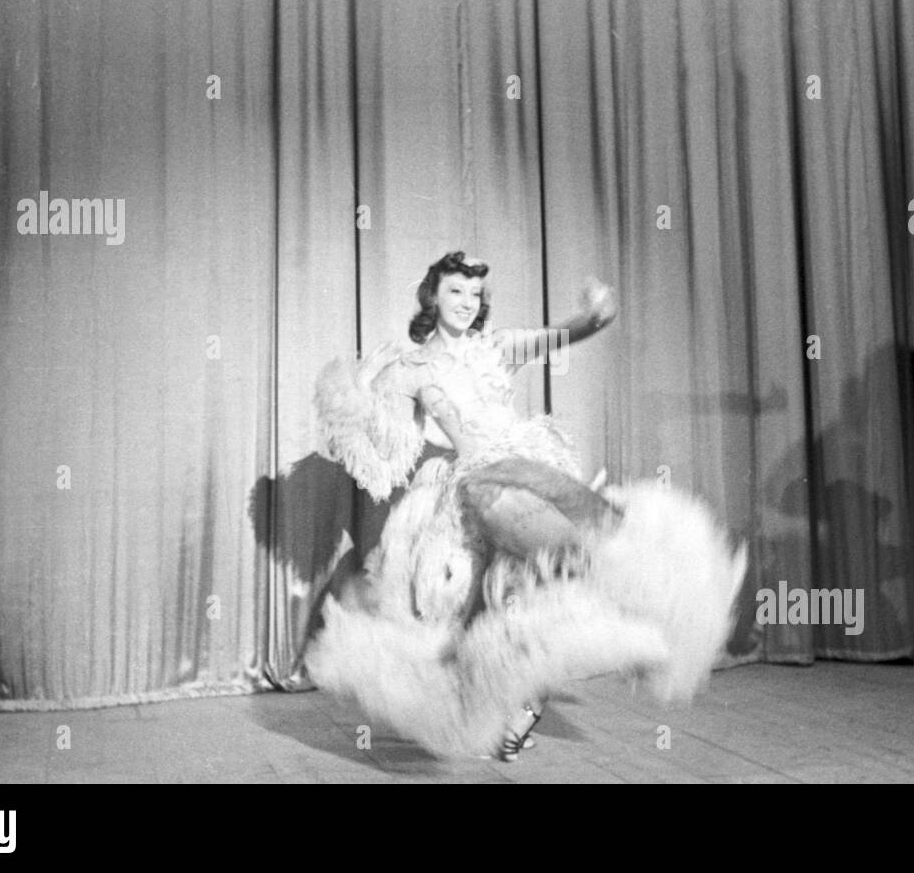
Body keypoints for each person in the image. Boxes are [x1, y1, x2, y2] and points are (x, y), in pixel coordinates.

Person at [305, 250, 746, 760]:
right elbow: (388, 446)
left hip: (524, 471)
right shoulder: (410, 367)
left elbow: (570, 331)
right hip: (465, 490)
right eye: (455, 291)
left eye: (475, 294)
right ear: (431, 295)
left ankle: (641, 615)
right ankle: (503, 706)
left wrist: (596, 313)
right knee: (484, 616)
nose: (467, 303)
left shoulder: (499, 345)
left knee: (571, 561)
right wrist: (357, 395)